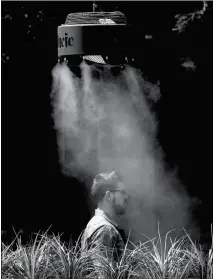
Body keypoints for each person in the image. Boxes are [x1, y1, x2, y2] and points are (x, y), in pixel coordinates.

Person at [81, 171, 129, 274]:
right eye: (122, 192)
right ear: (109, 196)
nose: (126, 197)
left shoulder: (98, 224)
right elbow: (103, 275)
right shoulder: (104, 229)